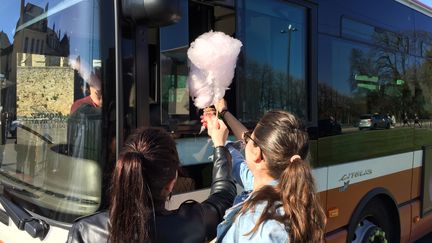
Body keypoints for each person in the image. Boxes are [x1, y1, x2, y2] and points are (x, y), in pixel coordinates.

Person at [66, 126, 236, 243]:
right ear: (170, 184)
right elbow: (224, 195)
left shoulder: (85, 231)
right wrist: (219, 144)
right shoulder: (191, 224)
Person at [207, 99, 326, 242]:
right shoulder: (286, 192)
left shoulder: (256, 223)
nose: (245, 140)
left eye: (250, 138)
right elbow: (239, 159)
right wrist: (223, 115)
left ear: (257, 153)